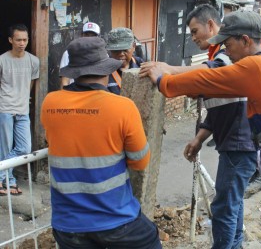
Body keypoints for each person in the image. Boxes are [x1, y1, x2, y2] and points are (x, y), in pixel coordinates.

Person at [140, 10, 261, 249]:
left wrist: (162, 79)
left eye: (228, 44)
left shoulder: (253, 67)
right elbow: (211, 78)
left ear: (245, 40)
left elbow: (205, 79)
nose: (226, 50)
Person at [143, 4, 257, 249]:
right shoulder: (221, 56)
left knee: (225, 208)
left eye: (195, 31)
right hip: (235, 143)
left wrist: (168, 71)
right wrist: (199, 138)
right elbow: (219, 105)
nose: (193, 38)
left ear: (211, 25)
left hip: (239, 143)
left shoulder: (226, 58)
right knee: (232, 205)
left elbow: (208, 73)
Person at [41, 37, 162, 249]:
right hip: (116, 220)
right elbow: (140, 162)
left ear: (74, 72)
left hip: (67, 225)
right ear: (106, 70)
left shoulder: (50, 103)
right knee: (150, 239)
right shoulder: (123, 107)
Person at [0, 24, 40, 196]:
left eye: (25, 39)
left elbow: (30, 85)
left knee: (24, 148)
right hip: (4, 109)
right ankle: (9, 181)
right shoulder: (2, 60)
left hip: (23, 110)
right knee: (5, 147)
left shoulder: (33, 61)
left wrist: (23, 100)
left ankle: (2, 175)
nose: (22, 43)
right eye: (18, 40)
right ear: (10, 40)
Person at [59, 22, 101, 88]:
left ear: (98, 38)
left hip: (95, 93)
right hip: (75, 93)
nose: (89, 38)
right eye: (87, 35)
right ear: (82, 35)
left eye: (93, 35)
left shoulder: (102, 54)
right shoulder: (69, 53)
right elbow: (64, 81)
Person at [106, 27, 144, 95]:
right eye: (116, 50)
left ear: (134, 46)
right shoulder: (104, 71)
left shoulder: (141, 64)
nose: (121, 54)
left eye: (125, 49)